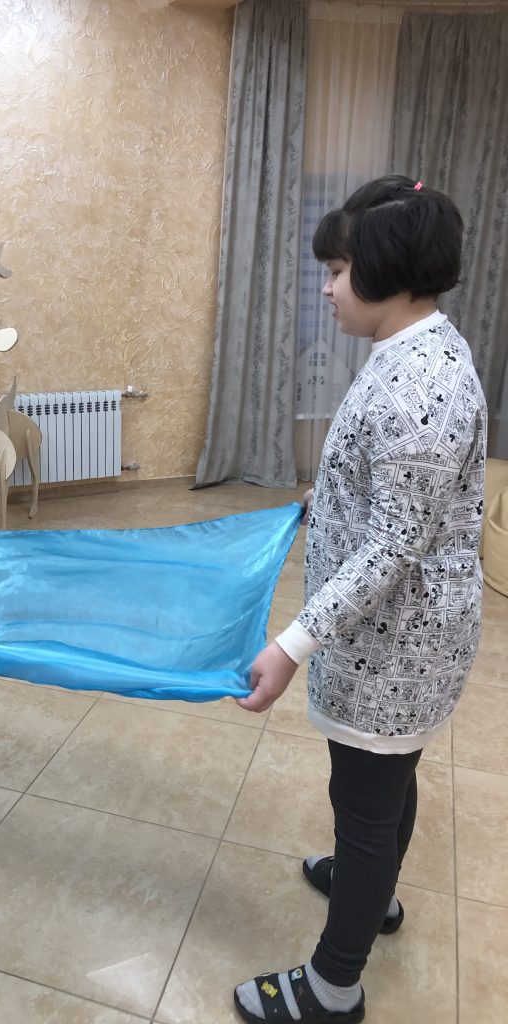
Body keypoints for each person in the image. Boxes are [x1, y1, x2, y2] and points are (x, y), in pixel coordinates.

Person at [233, 176, 486, 1023]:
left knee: (367, 804)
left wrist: (290, 644)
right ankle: (368, 890)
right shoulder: (414, 349)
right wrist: (330, 497)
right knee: (385, 777)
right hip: (396, 640)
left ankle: (333, 987)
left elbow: (393, 547)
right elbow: (396, 494)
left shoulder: (420, 388)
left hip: (395, 645)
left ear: (387, 271)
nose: (327, 288)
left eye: (338, 270)